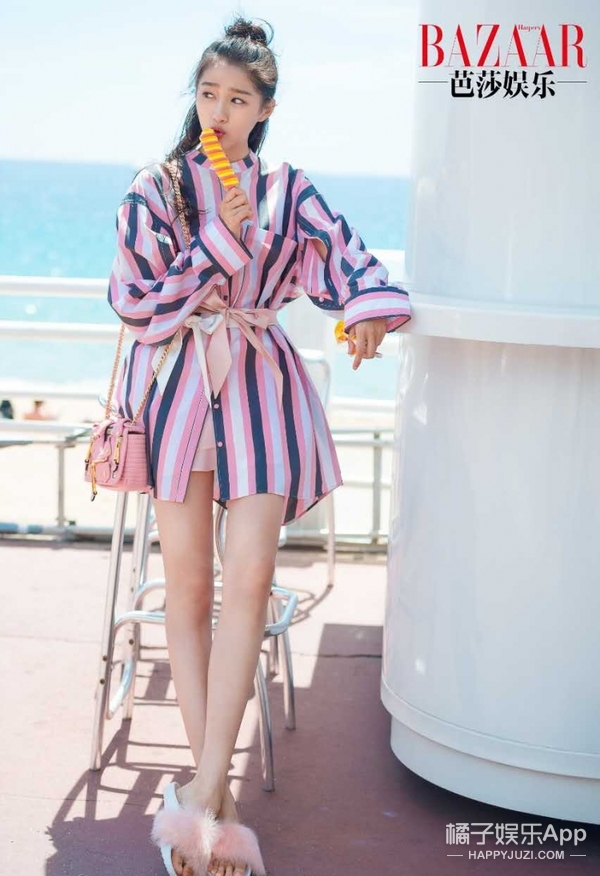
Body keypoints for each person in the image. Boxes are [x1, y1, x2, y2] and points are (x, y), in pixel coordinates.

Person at [107, 15, 411, 876]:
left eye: (238, 99)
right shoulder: (157, 188)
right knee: (188, 588)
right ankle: (220, 801)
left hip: (261, 391)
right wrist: (218, 239)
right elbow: (135, 302)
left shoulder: (289, 186)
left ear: (266, 108)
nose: (220, 111)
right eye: (209, 94)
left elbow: (348, 260)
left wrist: (368, 312)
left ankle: (204, 790)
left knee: (246, 581)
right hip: (177, 390)